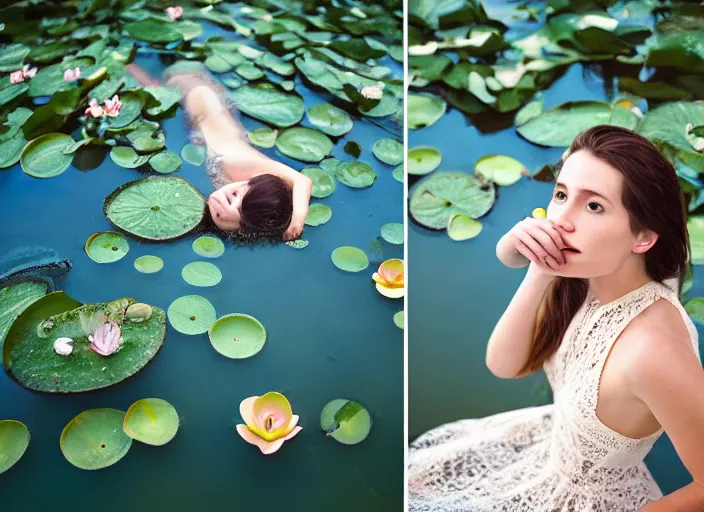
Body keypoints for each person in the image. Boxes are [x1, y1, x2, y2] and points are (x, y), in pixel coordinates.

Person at [408, 125, 704, 511]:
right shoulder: (587, 277)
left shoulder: (654, 351)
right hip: (546, 454)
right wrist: (538, 267)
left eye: (593, 206)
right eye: (561, 194)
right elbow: (504, 364)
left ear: (643, 238)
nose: (562, 220)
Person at [126, 62, 312, 242]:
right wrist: (296, 223)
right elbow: (303, 180)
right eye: (233, 195)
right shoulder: (249, 166)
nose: (224, 202)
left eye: (235, 207)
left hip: (209, 119)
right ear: (247, 181)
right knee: (149, 87)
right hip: (197, 94)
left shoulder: (252, 201)